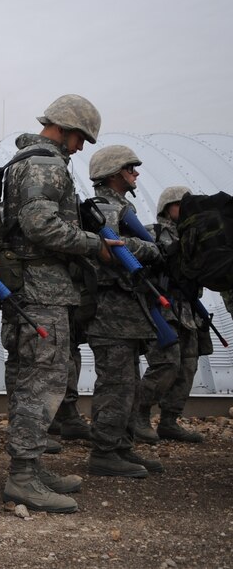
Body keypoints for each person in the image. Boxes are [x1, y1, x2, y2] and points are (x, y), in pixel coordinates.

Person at [0, 94, 112, 513]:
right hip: (41, 291)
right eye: (80, 137)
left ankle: (31, 467)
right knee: (41, 382)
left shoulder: (26, 161)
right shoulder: (46, 164)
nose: (81, 147)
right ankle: (23, 478)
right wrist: (94, 245)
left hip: (31, 290)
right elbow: (39, 224)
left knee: (29, 379)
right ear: (63, 128)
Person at [84, 145, 164, 477]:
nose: (136, 174)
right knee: (115, 384)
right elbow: (113, 247)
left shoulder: (120, 207)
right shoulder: (102, 209)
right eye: (131, 168)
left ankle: (121, 447)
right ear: (115, 172)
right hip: (109, 311)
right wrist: (152, 248)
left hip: (127, 311)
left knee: (128, 382)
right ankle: (103, 452)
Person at [134, 186, 205, 444]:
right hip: (162, 308)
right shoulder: (151, 232)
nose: (186, 210)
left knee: (187, 366)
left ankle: (169, 420)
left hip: (188, 310)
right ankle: (139, 416)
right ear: (167, 208)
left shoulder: (196, 237)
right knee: (167, 363)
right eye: (180, 205)